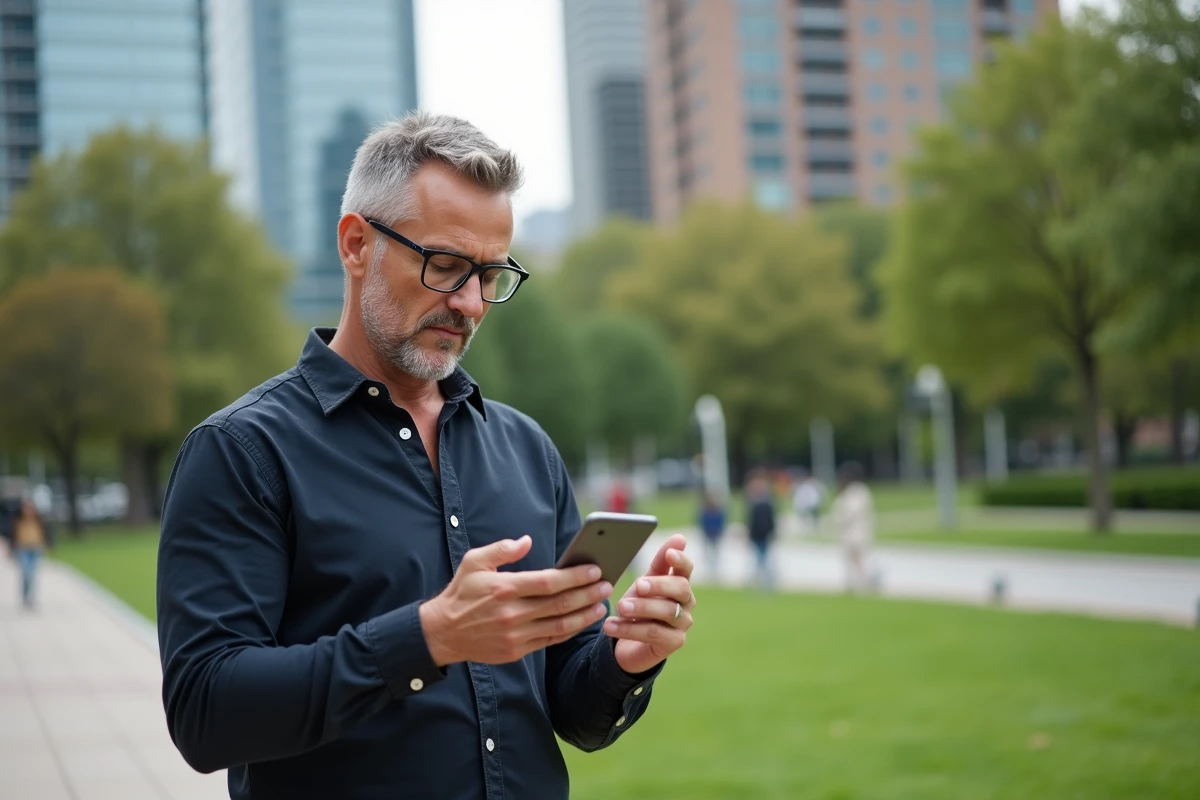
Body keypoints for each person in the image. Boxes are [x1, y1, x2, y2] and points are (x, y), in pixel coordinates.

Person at [156, 112, 696, 800]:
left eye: (492, 275)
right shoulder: (242, 452)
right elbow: (206, 713)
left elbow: (572, 709)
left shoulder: (526, 448)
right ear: (356, 244)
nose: (471, 302)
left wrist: (625, 659)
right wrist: (429, 637)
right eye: (446, 267)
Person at [830, 462, 875, 593]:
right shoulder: (850, 493)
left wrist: (840, 519)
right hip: (850, 533)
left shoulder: (858, 492)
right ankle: (853, 583)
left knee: (858, 560)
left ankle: (863, 584)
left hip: (856, 533)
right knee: (851, 560)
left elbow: (850, 513)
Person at [10, 498, 51, 610]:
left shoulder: (39, 521)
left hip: (35, 548)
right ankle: (25, 595)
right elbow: (13, 535)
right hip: (22, 549)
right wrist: (11, 548)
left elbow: (45, 533)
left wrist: (46, 545)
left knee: (32, 574)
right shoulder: (18, 521)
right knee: (25, 573)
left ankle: (31, 598)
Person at [745, 471, 777, 590]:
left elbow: (770, 520)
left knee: (763, 560)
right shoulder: (755, 503)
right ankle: (760, 581)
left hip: (763, 535)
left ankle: (768, 581)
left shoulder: (765, 503)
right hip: (757, 536)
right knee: (759, 560)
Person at [697, 492, 726, 582]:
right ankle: (710, 572)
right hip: (708, 535)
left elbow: (721, 523)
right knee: (708, 555)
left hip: (716, 535)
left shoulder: (718, 511)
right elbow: (702, 522)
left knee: (716, 554)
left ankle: (716, 572)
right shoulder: (705, 511)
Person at [792, 469, 825, 535]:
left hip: (813, 503)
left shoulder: (815, 484)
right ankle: (806, 528)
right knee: (804, 517)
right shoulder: (803, 485)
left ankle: (815, 528)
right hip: (806, 503)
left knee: (814, 517)